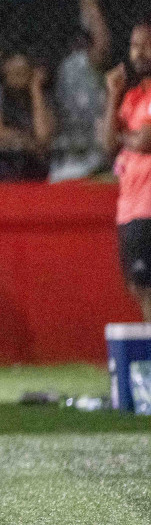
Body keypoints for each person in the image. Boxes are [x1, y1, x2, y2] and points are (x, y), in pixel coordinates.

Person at [104, 23, 151, 320]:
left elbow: (145, 142)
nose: (139, 52)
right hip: (130, 207)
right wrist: (113, 95)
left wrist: (127, 138)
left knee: (147, 288)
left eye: (146, 45)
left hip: (149, 205)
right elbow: (108, 144)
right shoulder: (132, 97)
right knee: (138, 286)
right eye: (135, 45)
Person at [52, 0, 112, 181]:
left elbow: (101, 44)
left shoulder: (86, 62)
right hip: (67, 152)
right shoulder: (58, 66)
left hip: (95, 154)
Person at [0, 52, 53, 181]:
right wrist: (26, 140)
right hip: (5, 161)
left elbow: (43, 135)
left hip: (35, 162)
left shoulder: (41, 97)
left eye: (21, 72)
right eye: (13, 73)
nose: (16, 77)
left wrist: (36, 90)